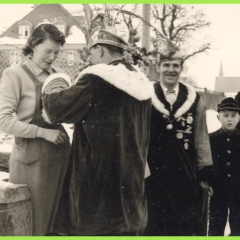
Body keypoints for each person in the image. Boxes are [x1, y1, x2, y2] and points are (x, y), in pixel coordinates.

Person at [40, 14, 152, 236]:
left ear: (100, 50)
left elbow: (55, 109)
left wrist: (55, 82)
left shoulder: (96, 77)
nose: (89, 57)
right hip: (131, 186)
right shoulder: (143, 84)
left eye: (90, 52)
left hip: (98, 185)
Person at [0, 24, 70, 235]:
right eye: (47, 51)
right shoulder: (15, 74)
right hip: (31, 159)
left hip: (60, 153)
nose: (52, 57)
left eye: (56, 52)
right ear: (32, 46)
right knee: (32, 224)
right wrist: (43, 133)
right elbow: (3, 120)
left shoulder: (60, 77)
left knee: (58, 222)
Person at [144, 51, 213, 236]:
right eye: (166, 65)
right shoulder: (145, 95)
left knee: (182, 226)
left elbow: (201, 136)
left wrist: (204, 172)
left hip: (184, 174)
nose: (171, 70)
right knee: (153, 225)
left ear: (181, 69)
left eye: (176, 66)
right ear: (158, 67)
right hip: (153, 175)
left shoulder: (194, 98)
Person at [208, 97, 240, 236]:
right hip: (218, 190)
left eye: (233, 116)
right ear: (218, 117)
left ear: (239, 118)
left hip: (238, 190)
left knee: (238, 224)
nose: (229, 119)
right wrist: (207, 181)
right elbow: (206, 162)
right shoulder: (210, 138)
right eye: (225, 115)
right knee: (216, 223)